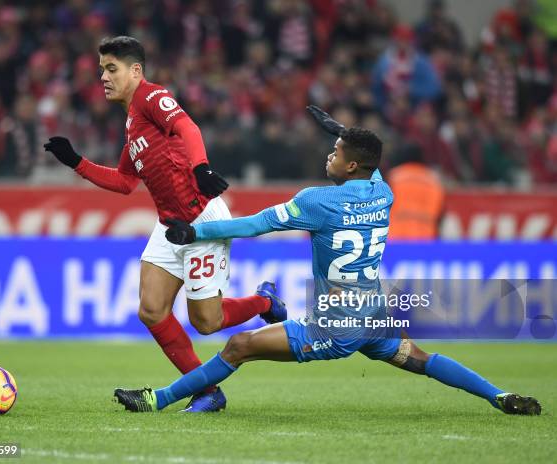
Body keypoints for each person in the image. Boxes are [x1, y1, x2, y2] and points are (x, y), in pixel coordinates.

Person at [112, 106, 541, 416]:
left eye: (335, 152)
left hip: (336, 325)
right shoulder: (384, 193)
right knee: (421, 360)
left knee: (239, 346)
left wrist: (195, 231)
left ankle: (158, 399)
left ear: (351, 164)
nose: (328, 156)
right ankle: (497, 396)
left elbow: (255, 225)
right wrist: (342, 131)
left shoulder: (317, 202)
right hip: (373, 313)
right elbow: (371, 164)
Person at [44, 36, 286, 412]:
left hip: (202, 218)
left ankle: (264, 301)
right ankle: (207, 391)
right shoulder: (132, 125)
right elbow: (124, 183)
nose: (103, 77)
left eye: (112, 69)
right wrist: (76, 161)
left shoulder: (151, 97)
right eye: (101, 70)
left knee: (206, 322)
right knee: (152, 310)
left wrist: (200, 166)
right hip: (170, 226)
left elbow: (187, 127)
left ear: (135, 71)